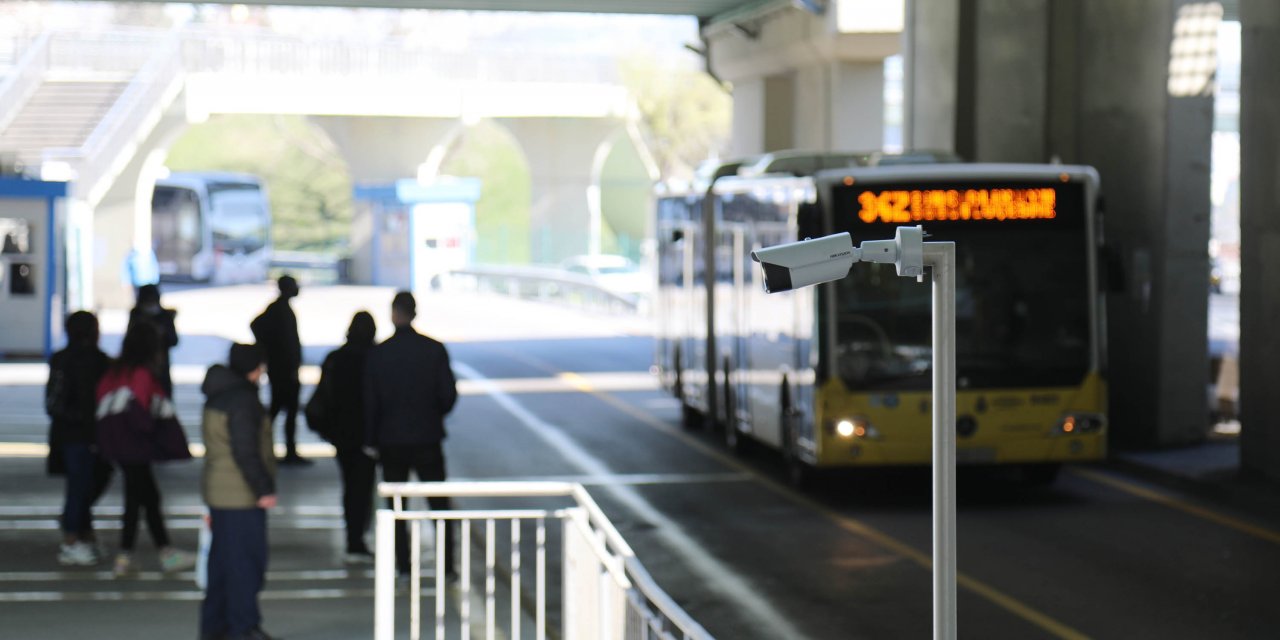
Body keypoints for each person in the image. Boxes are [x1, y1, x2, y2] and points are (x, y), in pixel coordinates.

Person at [364, 291, 459, 579]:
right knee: (439, 505)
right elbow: (448, 395)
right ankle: (447, 567)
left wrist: (371, 439)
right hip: (427, 438)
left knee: (396, 506)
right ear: (414, 313)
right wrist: (432, 416)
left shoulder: (379, 353)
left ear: (393, 314)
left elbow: (370, 401)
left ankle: (403, 566)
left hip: (391, 441)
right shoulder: (434, 349)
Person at [95, 322, 196, 577]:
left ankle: (127, 557)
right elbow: (141, 414)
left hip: (116, 445)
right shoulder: (141, 374)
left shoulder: (115, 371)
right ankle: (163, 554)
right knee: (148, 499)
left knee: (137, 499)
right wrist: (156, 434)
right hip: (135, 446)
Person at [199, 343, 277, 640]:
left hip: (218, 491)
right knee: (246, 564)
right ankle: (243, 628)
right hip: (240, 495)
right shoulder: (244, 401)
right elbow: (246, 451)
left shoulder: (218, 394)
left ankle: (215, 628)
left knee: (221, 565)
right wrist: (263, 488)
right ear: (254, 368)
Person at [307, 312, 378, 564]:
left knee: (351, 487)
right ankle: (360, 538)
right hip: (369, 435)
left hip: (342, 435)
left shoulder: (335, 358)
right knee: (364, 487)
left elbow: (324, 395)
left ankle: (354, 537)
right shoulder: (375, 358)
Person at [45, 311, 114, 566]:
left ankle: (81, 532)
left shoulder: (68, 358)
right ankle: (72, 539)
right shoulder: (94, 360)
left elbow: (53, 402)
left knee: (85, 483)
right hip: (81, 433)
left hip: (75, 432)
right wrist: (87, 420)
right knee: (81, 486)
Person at [251, 275, 309, 465]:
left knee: (283, 409)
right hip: (283, 369)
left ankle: (283, 448)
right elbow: (256, 326)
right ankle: (269, 446)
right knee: (283, 409)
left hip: (283, 367)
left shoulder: (281, 308)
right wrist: (272, 350)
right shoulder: (278, 309)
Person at [127, 283, 178, 397]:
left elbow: (174, 340)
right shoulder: (136, 315)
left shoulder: (164, 316)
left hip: (160, 368)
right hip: (139, 364)